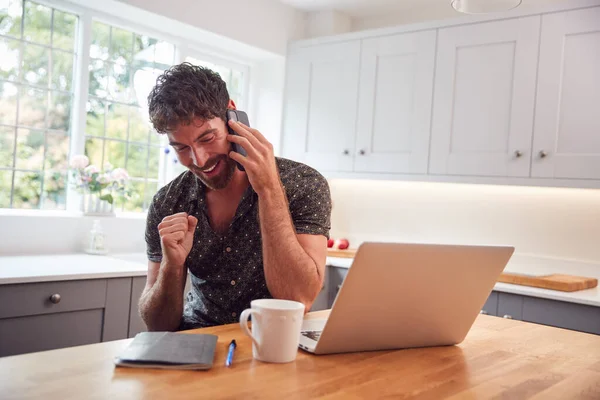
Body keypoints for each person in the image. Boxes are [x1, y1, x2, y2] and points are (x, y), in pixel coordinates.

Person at [138, 63, 332, 331]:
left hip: (273, 343)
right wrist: (172, 266)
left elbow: (298, 299)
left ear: (231, 113)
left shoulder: (303, 184)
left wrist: (269, 190)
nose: (199, 160)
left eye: (207, 138)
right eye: (182, 147)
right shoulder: (168, 202)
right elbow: (158, 325)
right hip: (196, 343)